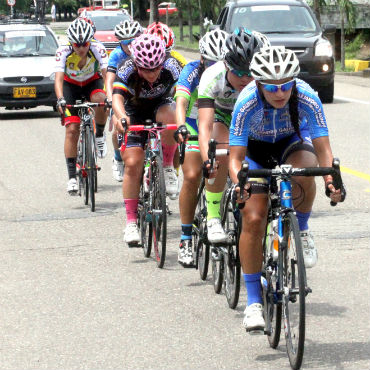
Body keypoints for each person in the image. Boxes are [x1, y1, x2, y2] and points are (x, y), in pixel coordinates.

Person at [228, 46, 346, 332]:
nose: (280, 93)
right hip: (254, 152)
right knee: (254, 218)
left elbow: (323, 148)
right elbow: (234, 158)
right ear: (257, 82)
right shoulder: (245, 102)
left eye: (285, 86)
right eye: (271, 87)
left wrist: (331, 180)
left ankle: (301, 230)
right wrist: (240, 183)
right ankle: (254, 301)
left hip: (290, 144)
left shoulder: (306, 95)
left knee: (306, 168)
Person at [197, 28, 267, 244]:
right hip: (223, 116)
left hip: (252, 117)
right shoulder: (212, 76)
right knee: (220, 151)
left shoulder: (264, 75)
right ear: (226, 65)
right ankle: (213, 216)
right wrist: (208, 159)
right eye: (238, 73)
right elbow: (205, 127)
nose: (245, 79)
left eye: (250, 73)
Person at [112, 33, 182, 246]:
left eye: (156, 68)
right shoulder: (126, 69)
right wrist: (121, 117)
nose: (151, 74)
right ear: (136, 64)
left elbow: (186, 93)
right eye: (145, 69)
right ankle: (131, 221)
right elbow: (116, 97)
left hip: (162, 106)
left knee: (170, 116)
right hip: (134, 112)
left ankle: (168, 166)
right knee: (132, 163)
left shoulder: (172, 65)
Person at [174, 29, 229, 266]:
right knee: (193, 175)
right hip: (195, 127)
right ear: (202, 58)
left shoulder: (231, 74)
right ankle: (186, 237)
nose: (215, 66)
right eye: (210, 61)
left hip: (220, 124)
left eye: (220, 61)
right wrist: (180, 127)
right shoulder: (191, 71)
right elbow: (181, 102)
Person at [54, 18, 108, 194]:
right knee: (72, 129)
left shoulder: (97, 49)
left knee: (101, 99)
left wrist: (109, 96)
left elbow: (107, 75)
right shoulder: (63, 52)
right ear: (71, 43)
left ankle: (99, 134)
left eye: (85, 44)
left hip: (92, 82)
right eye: (77, 45)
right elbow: (59, 79)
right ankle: (71, 177)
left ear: (90, 41)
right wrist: (61, 98)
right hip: (71, 86)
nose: (81, 48)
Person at [106, 20, 143, 182]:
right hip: (121, 93)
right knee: (118, 128)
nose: (129, 45)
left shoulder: (144, 49)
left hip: (141, 92)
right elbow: (109, 80)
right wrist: (110, 99)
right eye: (125, 42)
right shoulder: (116, 55)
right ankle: (117, 158)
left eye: (133, 41)